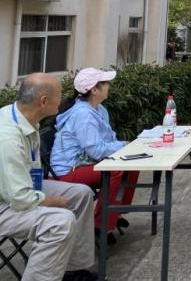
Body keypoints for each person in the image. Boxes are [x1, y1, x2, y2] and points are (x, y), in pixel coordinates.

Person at [0, 73, 97, 281]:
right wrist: (53, 201)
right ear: (43, 101)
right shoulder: (7, 138)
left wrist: (50, 198)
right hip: (6, 203)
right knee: (60, 221)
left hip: (19, 188)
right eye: (59, 96)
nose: (62, 101)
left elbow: (26, 182)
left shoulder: (24, 118)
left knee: (81, 194)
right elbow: (19, 198)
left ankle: (73, 270)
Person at [50, 68, 139, 244]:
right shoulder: (83, 114)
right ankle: (100, 225)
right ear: (94, 90)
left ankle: (114, 213)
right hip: (69, 170)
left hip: (86, 164)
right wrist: (123, 145)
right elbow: (96, 150)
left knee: (133, 165)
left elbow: (107, 140)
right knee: (115, 171)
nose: (108, 86)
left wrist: (122, 147)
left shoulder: (98, 109)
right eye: (105, 83)